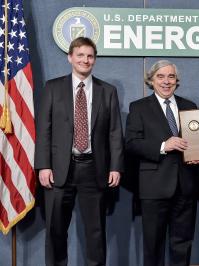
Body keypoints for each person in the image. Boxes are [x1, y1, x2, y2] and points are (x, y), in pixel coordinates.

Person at [34, 37, 124, 266]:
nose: (85, 60)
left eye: (90, 56)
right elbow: (44, 130)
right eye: (81, 55)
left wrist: (115, 167)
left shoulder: (108, 91)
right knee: (56, 231)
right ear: (70, 57)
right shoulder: (53, 88)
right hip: (59, 170)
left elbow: (115, 132)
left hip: (94, 169)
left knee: (96, 232)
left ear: (95, 59)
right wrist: (43, 165)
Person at [125, 60, 198, 266]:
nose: (166, 81)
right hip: (154, 187)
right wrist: (163, 146)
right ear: (151, 80)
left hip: (185, 186)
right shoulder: (138, 107)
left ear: (177, 81)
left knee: (182, 244)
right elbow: (131, 143)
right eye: (161, 76)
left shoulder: (189, 106)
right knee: (153, 246)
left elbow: (196, 143)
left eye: (171, 77)